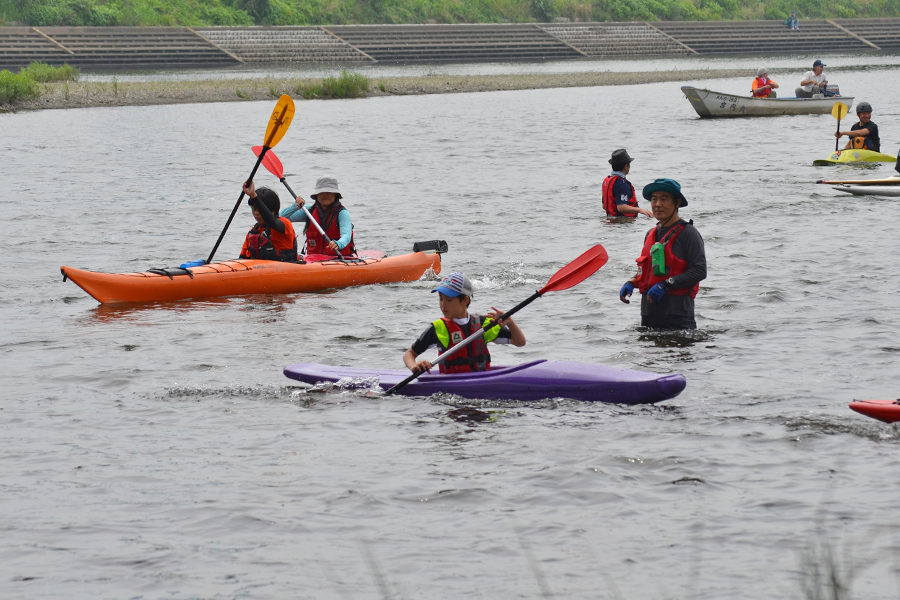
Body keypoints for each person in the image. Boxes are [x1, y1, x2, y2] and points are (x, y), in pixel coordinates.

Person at [619, 179, 707, 330]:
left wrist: (666, 285)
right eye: (654, 199)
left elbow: (700, 271)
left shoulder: (688, 233)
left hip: (678, 317)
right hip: (649, 315)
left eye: (664, 199)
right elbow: (650, 269)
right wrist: (632, 282)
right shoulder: (650, 234)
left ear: (677, 203)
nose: (657, 204)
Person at [403, 272, 525, 374]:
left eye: (449, 300)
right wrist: (414, 366)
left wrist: (510, 322)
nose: (443, 305)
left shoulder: (483, 324)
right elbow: (409, 354)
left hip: (481, 382)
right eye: (440, 299)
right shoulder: (438, 328)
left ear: (465, 300)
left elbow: (519, 342)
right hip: (451, 388)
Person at [280, 176, 355, 259]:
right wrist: (295, 207)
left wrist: (338, 243)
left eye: (329, 192)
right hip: (314, 260)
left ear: (335, 195)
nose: (325, 194)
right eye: (322, 192)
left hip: (338, 259)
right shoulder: (309, 211)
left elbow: (346, 236)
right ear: (317, 195)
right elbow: (280, 217)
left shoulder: (342, 213)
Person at [239, 182, 299, 262]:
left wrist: (254, 195)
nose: (256, 213)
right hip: (260, 270)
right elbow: (241, 259)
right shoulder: (253, 232)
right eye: (253, 208)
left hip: (286, 268)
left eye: (259, 209)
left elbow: (272, 222)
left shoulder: (285, 224)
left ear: (273, 211)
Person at [602, 149, 653, 220]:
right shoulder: (621, 183)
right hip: (622, 223)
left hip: (610, 220)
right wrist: (640, 210)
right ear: (626, 166)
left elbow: (604, 206)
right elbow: (621, 207)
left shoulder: (607, 181)